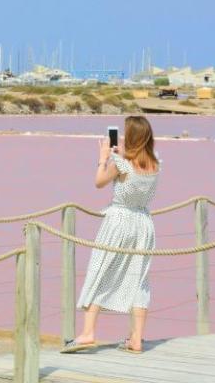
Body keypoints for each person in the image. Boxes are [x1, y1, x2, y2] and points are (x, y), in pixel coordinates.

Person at [61, 116, 159, 354]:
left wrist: (104, 158)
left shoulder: (122, 163)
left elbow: (99, 182)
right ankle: (136, 338)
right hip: (143, 223)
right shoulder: (156, 164)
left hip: (119, 221)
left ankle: (88, 333)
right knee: (139, 279)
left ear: (133, 136)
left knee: (100, 269)